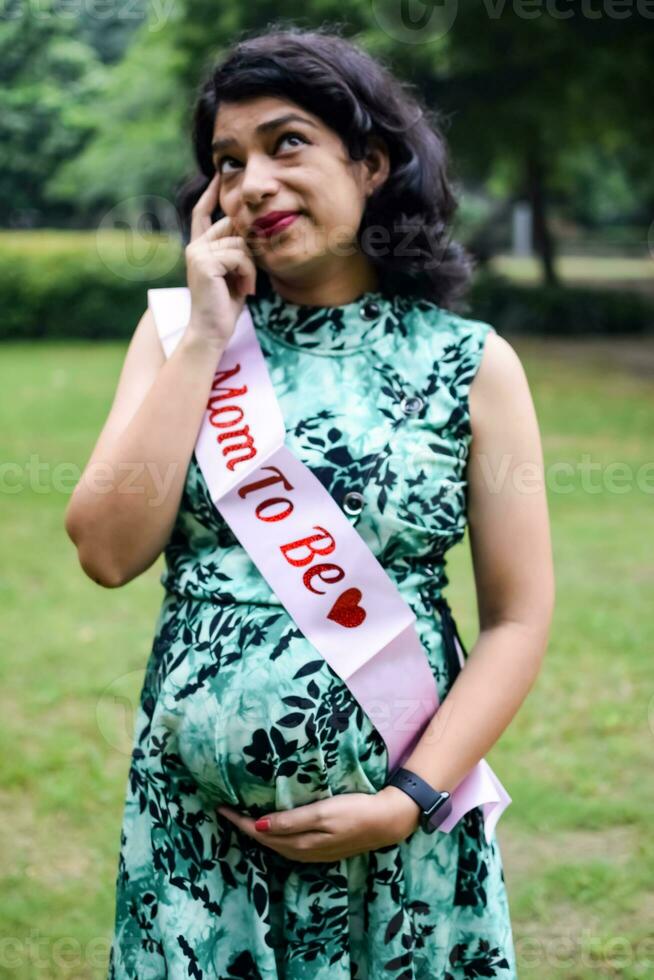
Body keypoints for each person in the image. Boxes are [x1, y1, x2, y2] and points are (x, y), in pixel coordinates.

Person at [65, 25, 554, 979]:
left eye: (287, 143)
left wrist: (407, 798)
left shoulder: (472, 363)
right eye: (228, 161)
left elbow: (520, 617)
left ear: (371, 163)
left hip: (397, 839)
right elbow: (105, 551)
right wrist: (209, 331)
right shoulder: (175, 337)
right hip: (196, 842)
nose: (253, 183)